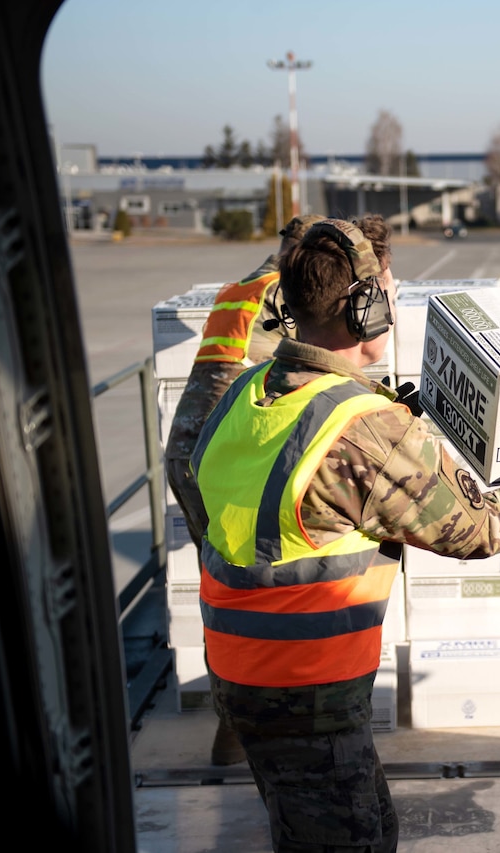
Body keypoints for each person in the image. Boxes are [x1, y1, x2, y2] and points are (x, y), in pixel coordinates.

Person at [191, 216, 500, 853]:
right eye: (387, 289)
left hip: (246, 677)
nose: (395, 300)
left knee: (364, 828)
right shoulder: (360, 429)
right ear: (365, 308)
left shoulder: (249, 391)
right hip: (306, 692)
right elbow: (479, 529)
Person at [164, 212, 326, 766]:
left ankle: (235, 724)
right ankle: (244, 727)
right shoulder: (286, 293)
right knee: (253, 589)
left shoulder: (242, 286)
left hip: (193, 451)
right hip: (220, 454)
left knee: (223, 584)